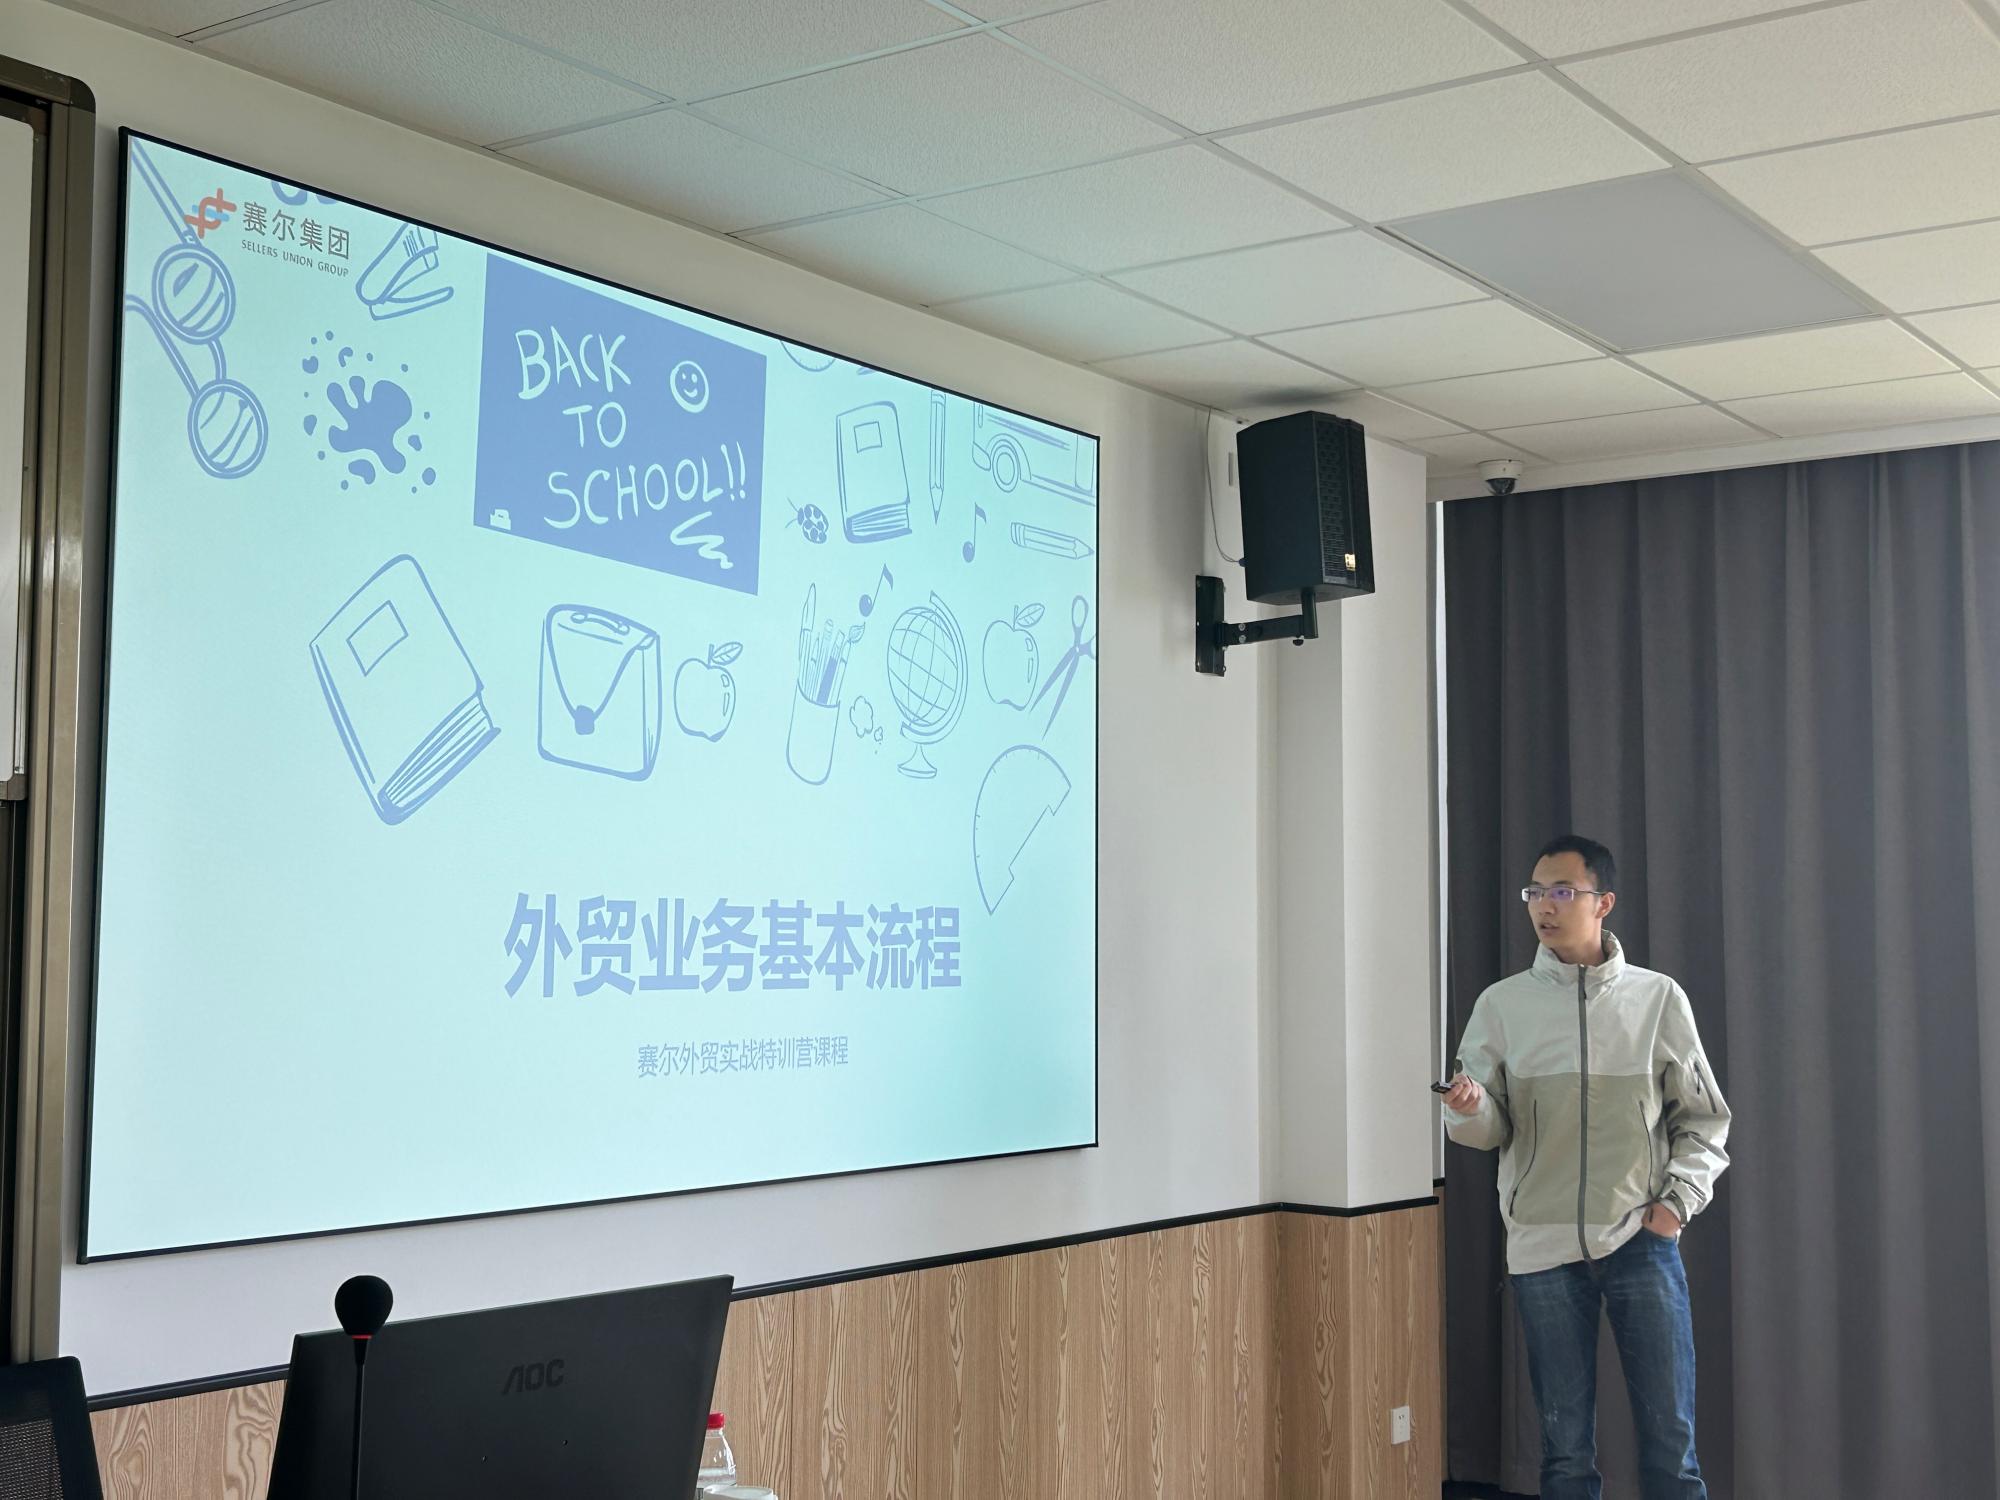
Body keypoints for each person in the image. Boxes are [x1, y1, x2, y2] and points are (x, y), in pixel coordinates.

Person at [1443, 834, 1730, 1500]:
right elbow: (1487, 1131)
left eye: (1562, 891)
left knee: (1672, 1449)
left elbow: (1704, 1119)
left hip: (1640, 1241)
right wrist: (1470, 1107)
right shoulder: (1501, 1006)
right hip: (1541, 1248)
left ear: (1603, 902)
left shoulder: (1658, 1000)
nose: (1544, 905)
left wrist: (1675, 1206)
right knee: (1564, 1455)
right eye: (1535, 892)